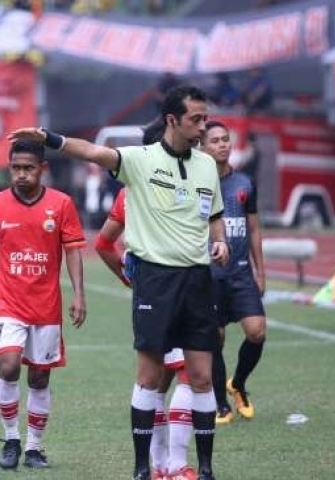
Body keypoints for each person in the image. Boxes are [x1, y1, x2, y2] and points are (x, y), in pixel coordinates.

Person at [8, 85, 230, 480]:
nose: (203, 127)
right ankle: (142, 468)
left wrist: (220, 242)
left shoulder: (206, 166)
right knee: (149, 376)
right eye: (195, 119)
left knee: (199, 375)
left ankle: (206, 469)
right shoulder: (139, 160)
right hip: (156, 280)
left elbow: (213, 213)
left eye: (204, 118)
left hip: (197, 281)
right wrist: (49, 137)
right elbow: (92, 152)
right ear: (171, 120)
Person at [0, 139, 87, 470]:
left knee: (39, 378)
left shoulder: (61, 204)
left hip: (46, 305)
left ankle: (34, 447)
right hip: (8, 302)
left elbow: (73, 250)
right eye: (16, 168)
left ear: (42, 169)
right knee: (8, 366)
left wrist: (79, 293)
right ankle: (11, 439)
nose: (21, 174)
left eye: (28, 168)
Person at [95, 119, 197, 480]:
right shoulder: (142, 188)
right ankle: (172, 464)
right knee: (170, 375)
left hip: (179, 291)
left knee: (167, 377)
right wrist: (132, 278)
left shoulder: (190, 179)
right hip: (164, 292)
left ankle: (161, 466)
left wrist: (131, 280)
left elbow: (104, 244)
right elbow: (103, 243)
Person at [201, 121, 267, 425]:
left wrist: (260, 271)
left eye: (226, 139)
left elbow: (253, 228)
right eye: (214, 140)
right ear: (202, 147)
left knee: (257, 332)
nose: (222, 145)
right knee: (215, 340)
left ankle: (238, 383)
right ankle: (220, 404)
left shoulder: (245, 183)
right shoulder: (196, 184)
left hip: (241, 273)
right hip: (209, 276)